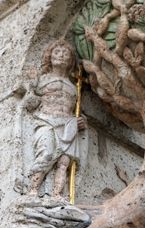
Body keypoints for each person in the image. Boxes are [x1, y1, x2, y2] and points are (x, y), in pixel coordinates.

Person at [26, 39, 87, 198]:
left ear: (71, 60)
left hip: (67, 125)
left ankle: (57, 195)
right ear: (50, 57)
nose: (61, 56)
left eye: (66, 53)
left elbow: (74, 110)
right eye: (57, 52)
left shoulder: (74, 87)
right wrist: (31, 87)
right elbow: (29, 104)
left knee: (64, 163)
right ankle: (32, 191)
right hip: (46, 121)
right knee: (46, 153)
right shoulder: (43, 79)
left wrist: (80, 121)